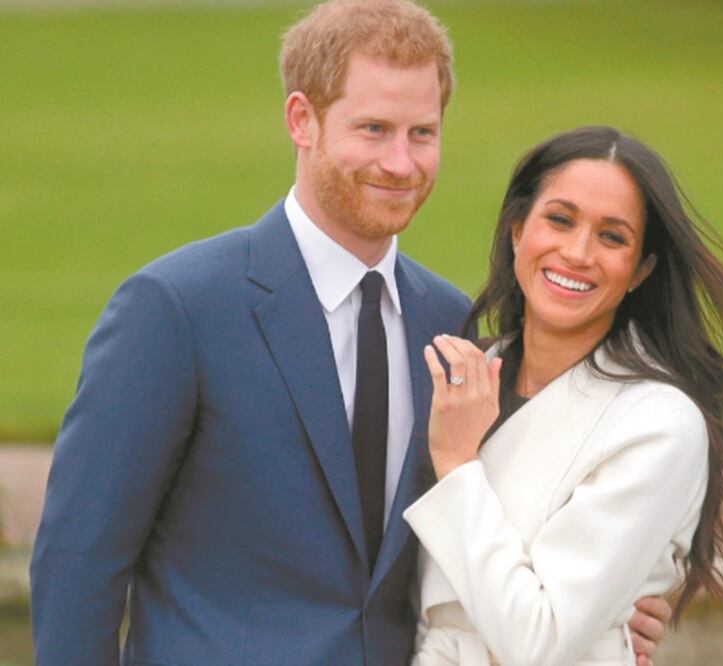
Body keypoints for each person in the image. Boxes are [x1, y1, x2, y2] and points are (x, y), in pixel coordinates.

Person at [29, 2, 668, 664]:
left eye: (422, 133)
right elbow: (80, 561)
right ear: (301, 120)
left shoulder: (453, 326)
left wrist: (611, 608)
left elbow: (492, 525)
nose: (400, 162)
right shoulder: (176, 310)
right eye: (373, 129)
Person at [399, 126, 723, 665]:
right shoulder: (471, 376)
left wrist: (459, 466)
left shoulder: (657, 423)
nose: (578, 252)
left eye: (613, 237)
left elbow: (540, 642)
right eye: (559, 220)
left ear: (640, 271)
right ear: (518, 230)